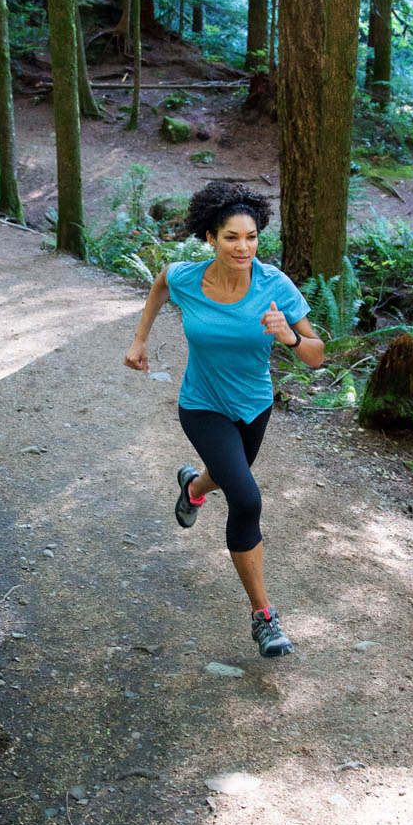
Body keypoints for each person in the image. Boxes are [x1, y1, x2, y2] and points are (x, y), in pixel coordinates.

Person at [124, 180, 324, 658]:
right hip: (202, 405)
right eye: (232, 237)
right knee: (246, 497)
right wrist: (140, 339)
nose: (243, 247)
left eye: (251, 237)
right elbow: (161, 282)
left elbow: (317, 357)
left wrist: (290, 340)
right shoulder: (189, 278)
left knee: (228, 475)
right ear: (210, 238)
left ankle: (193, 487)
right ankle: (265, 618)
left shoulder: (275, 285)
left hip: (254, 406)